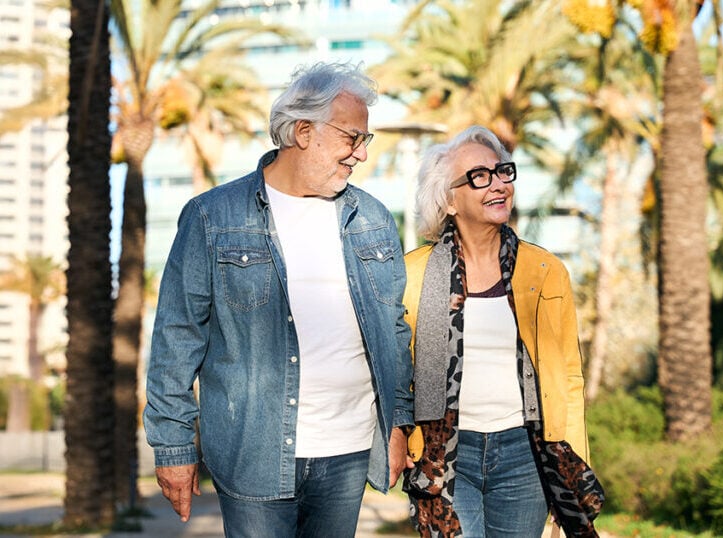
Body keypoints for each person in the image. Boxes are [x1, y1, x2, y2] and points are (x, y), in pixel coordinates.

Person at [143, 61, 414, 538]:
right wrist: (174, 448)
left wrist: (398, 424)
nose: (360, 155)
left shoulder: (371, 218)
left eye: (364, 141)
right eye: (353, 138)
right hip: (254, 450)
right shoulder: (213, 217)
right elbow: (176, 339)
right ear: (304, 131)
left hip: (348, 450)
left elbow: (393, 329)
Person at [401, 125, 589, 537]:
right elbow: (397, 372)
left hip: (523, 453)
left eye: (503, 171)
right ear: (448, 200)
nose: (499, 184)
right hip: (446, 455)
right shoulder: (413, 274)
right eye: (479, 176)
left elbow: (568, 378)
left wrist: (570, 474)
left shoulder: (545, 271)